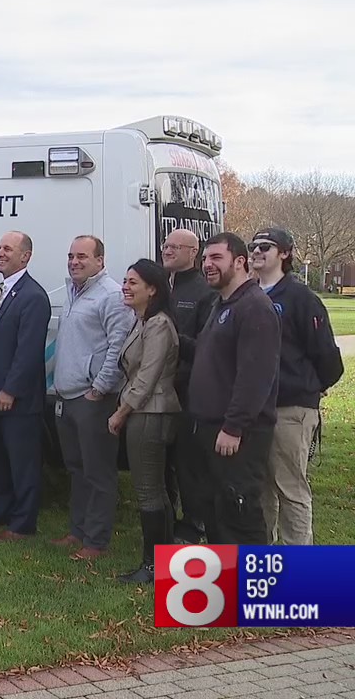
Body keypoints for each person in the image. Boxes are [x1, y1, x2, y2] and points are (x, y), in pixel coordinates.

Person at [250, 228, 344, 545]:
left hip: (290, 408)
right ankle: (265, 560)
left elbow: (327, 356)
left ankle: (298, 567)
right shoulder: (249, 294)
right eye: (253, 246)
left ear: (285, 253)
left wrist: (309, 388)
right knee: (261, 488)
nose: (257, 251)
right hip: (253, 409)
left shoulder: (301, 298)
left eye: (265, 246)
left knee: (290, 488)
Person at [188, 232, 282, 544]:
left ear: (240, 262)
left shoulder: (255, 307)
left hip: (235, 434)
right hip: (208, 429)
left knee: (239, 512)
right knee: (216, 512)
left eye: (216, 258)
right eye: (204, 259)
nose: (207, 265)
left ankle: (254, 590)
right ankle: (223, 587)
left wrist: (234, 426)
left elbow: (255, 376)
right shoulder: (222, 304)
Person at [51, 236, 133, 560]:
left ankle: (96, 541)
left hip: (94, 399)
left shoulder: (111, 296)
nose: (74, 262)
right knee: (76, 468)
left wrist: (99, 388)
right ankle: (77, 531)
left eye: (82, 256)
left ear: (100, 260)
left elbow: (118, 346)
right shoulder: (73, 291)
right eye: (71, 256)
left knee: (98, 471)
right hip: (67, 396)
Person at [0, 231, 52, 541]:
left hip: (17, 400)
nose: (0, 253)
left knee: (22, 463)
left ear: (25, 256)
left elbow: (27, 352)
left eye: (8, 248)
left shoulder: (33, 297)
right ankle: (0, 512)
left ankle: (22, 524)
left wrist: (10, 390)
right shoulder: (0, 291)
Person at [107, 259, 181, 583]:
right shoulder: (142, 321)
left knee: (149, 491)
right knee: (156, 491)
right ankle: (160, 563)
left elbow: (146, 379)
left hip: (150, 412)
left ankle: (152, 567)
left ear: (152, 289)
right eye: (125, 280)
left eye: (133, 282)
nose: (125, 286)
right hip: (145, 411)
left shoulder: (158, 325)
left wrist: (121, 413)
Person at [161, 228, 217, 544]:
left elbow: (206, 349)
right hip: (159, 390)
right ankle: (166, 521)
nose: (167, 250)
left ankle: (195, 526)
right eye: (165, 245)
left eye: (174, 247)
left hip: (188, 393)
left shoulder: (204, 292)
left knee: (188, 465)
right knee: (163, 462)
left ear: (192, 252)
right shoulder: (162, 286)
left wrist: (170, 337)